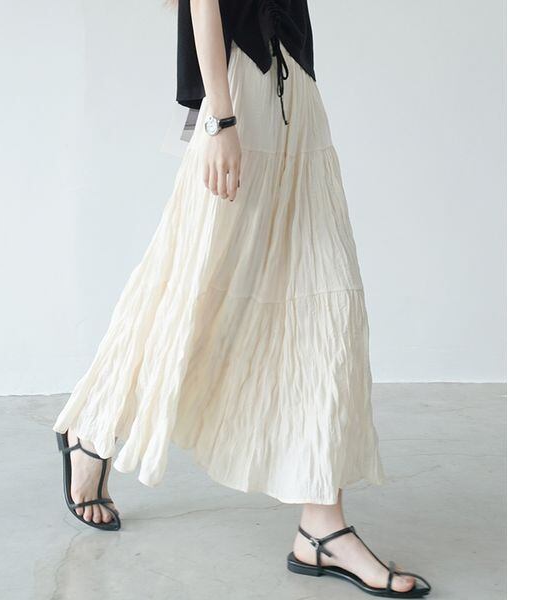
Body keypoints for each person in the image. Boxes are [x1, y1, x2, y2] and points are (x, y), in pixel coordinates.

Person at [54, 1, 431, 597]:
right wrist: (220, 121)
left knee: (327, 301)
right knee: (190, 292)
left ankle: (322, 526)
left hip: (296, 93)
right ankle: (94, 428)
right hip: (238, 95)